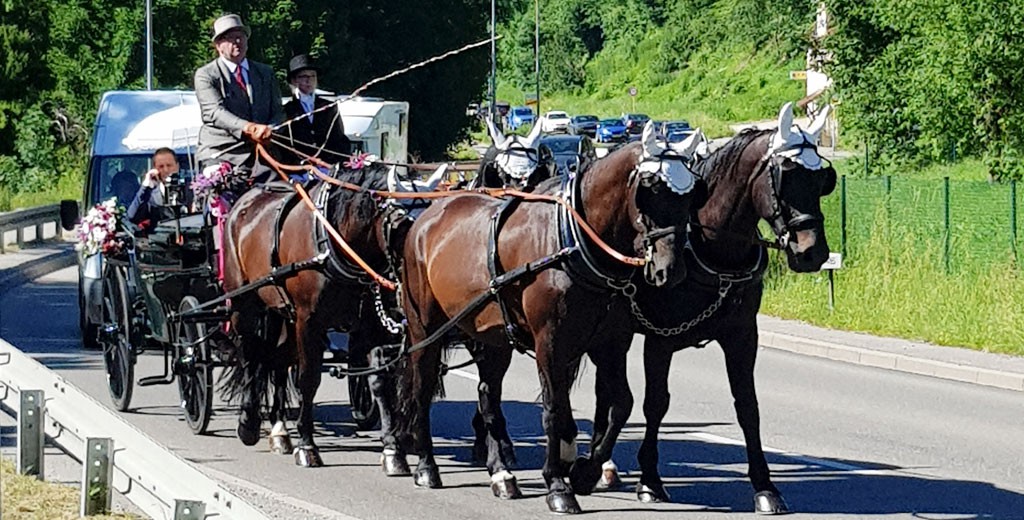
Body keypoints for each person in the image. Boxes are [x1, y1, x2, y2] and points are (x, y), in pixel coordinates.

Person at [194, 13, 284, 185]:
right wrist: (248, 128)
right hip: (221, 152)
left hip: (263, 153)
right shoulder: (206, 75)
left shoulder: (265, 73)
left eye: (241, 36)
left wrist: (271, 129)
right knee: (220, 201)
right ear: (218, 45)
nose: (237, 42)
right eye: (231, 38)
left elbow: (278, 111)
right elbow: (214, 112)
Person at [281, 54, 351, 167]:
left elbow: (339, 138)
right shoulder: (287, 110)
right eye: (303, 76)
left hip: (328, 164)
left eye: (312, 76)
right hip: (299, 167)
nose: (308, 80)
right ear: (294, 81)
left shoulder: (329, 107)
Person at [126, 147, 186, 232]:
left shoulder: (191, 191)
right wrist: (146, 186)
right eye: (161, 166)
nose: (166, 170)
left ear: (177, 166)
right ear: (155, 169)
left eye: (169, 165)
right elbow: (132, 217)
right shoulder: (150, 196)